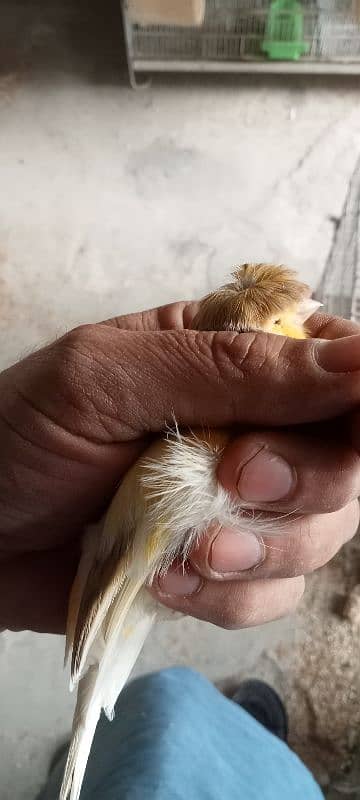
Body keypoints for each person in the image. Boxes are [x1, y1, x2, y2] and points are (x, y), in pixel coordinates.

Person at [1, 299, 360, 798]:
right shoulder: (228, 405)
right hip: (129, 552)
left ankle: (191, 729)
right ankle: (227, 730)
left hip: (123, 556)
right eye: (281, 322)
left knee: (157, 723)